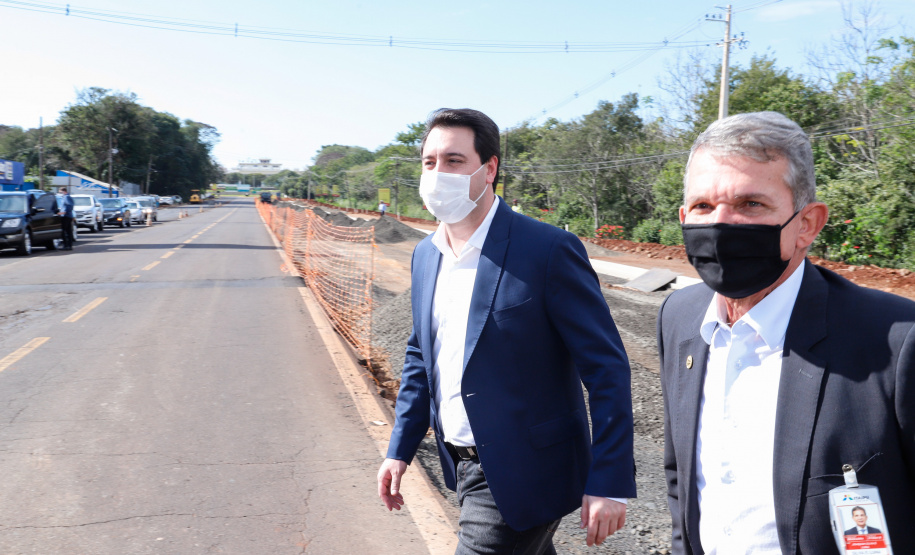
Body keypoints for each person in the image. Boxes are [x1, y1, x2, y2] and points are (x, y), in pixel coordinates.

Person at [377, 108, 635, 554]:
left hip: (526, 468)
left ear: (489, 168)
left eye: (454, 161)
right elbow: (421, 354)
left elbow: (607, 369)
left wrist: (610, 479)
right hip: (459, 465)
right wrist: (399, 447)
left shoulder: (548, 250)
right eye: (430, 162)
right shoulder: (426, 254)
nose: (439, 173)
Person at [658, 111, 915, 554]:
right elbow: (682, 478)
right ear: (684, 216)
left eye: (750, 204)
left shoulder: (896, 342)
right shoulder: (679, 316)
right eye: (703, 206)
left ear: (807, 224)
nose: (721, 225)